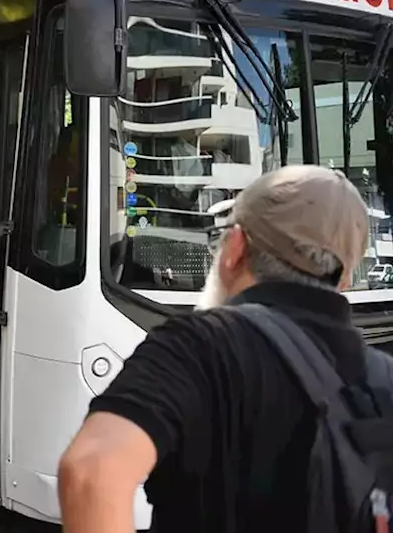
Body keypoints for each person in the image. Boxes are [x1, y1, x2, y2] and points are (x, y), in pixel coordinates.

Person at [58, 165, 373, 532]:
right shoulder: (381, 377)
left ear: (234, 248)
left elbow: (91, 475)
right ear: (346, 278)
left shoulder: (196, 348)